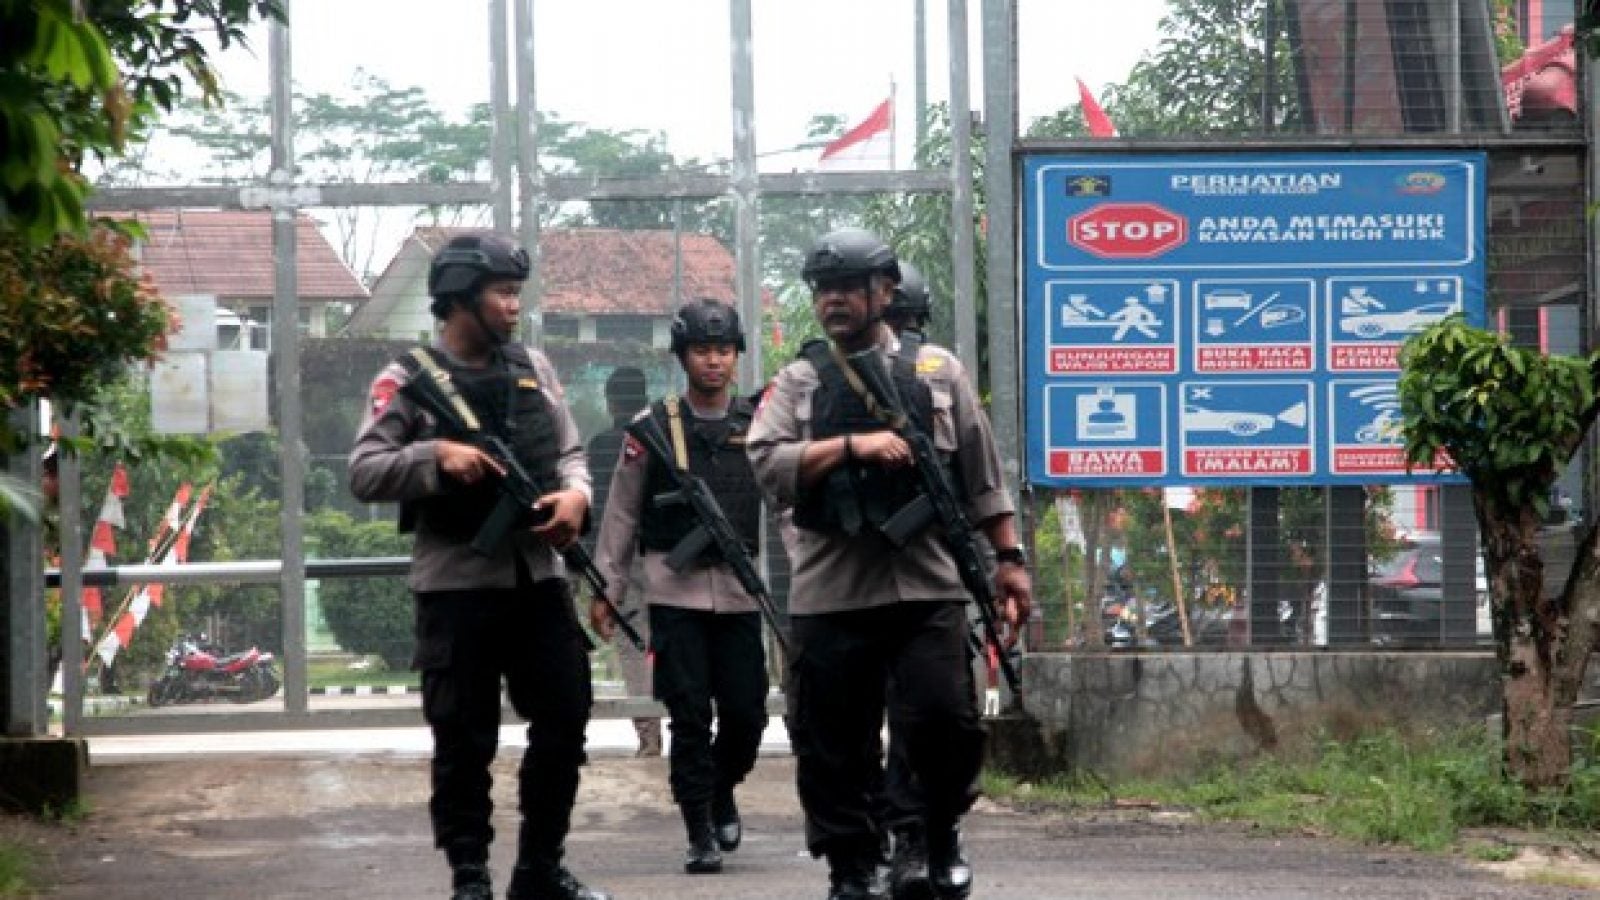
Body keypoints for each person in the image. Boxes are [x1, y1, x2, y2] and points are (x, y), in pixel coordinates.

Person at [747, 228, 1033, 900]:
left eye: (848, 287)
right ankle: (853, 862)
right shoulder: (800, 380)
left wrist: (1009, 560)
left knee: (941, 720)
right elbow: (766, 462)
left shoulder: (939, 373)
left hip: (927, 580)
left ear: (884, 291)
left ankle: (926, 840)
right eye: (823, 290)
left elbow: (983, 476)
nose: (833, 301)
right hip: (831, 587)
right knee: (831, 740)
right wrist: (850, 447)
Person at [348, 232, 611, 900]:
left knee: (566, 718)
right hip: (456, 588)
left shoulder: (536, 367)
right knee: (464, 740)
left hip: (538, 582)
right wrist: (435, 458)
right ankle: (470, 876)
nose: (513, 306)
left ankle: (539, 870)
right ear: (460, 298)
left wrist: (576, 496)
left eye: (516, 293)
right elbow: (366, 471)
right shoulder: (405, 379)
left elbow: (571, 451)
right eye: (502, 293)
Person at [589, 298, 770, 877]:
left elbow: (785, 505)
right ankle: (699, 830)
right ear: (683, 356)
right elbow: (620, 512)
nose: (713, 361)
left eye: (723, 350)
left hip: (741, 594)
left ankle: (720, 790)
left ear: (736, 356)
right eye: (701, 350)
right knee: (689, 715)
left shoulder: (760, 427)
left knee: (747, 715)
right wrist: (608, 586)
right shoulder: (651, 430)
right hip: (673, 592)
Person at [584, 365, 662, 758]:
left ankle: (648, 734)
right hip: (667, 558)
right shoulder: (663, 435)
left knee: (635, 646)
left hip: (620, 560)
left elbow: (596, 512)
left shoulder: (600, 445)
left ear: (611, 400)